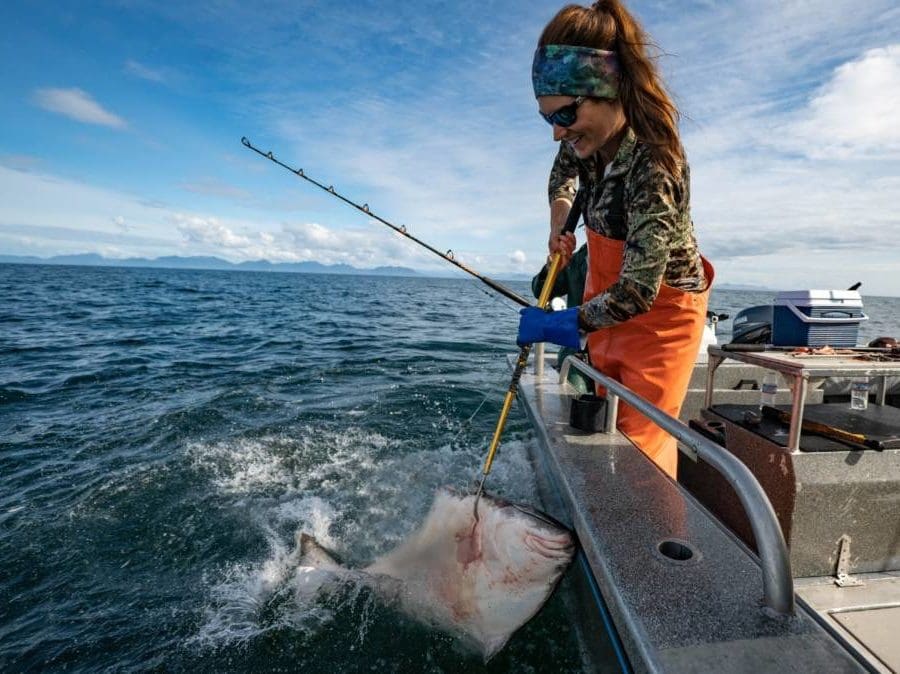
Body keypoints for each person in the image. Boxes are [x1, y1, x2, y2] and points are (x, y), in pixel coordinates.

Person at [517, 0, 714, 479]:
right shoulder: (582, 143)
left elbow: (637, 293)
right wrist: (559, 224)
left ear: (605, 90)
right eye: (547, 119)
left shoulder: (655, 164)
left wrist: (563, 325)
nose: (557, 132)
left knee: (640, 449)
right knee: (603, 419)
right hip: (605, 305)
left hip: (659, 320)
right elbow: (562, 176)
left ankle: (650, 541)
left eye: (563, 114)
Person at [531, 243, 593, 393]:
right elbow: (541, 291)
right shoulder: (579, 258)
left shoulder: (634, 253)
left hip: (624, 354)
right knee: (574, 399)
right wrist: (551, 268)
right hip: (578, 354)